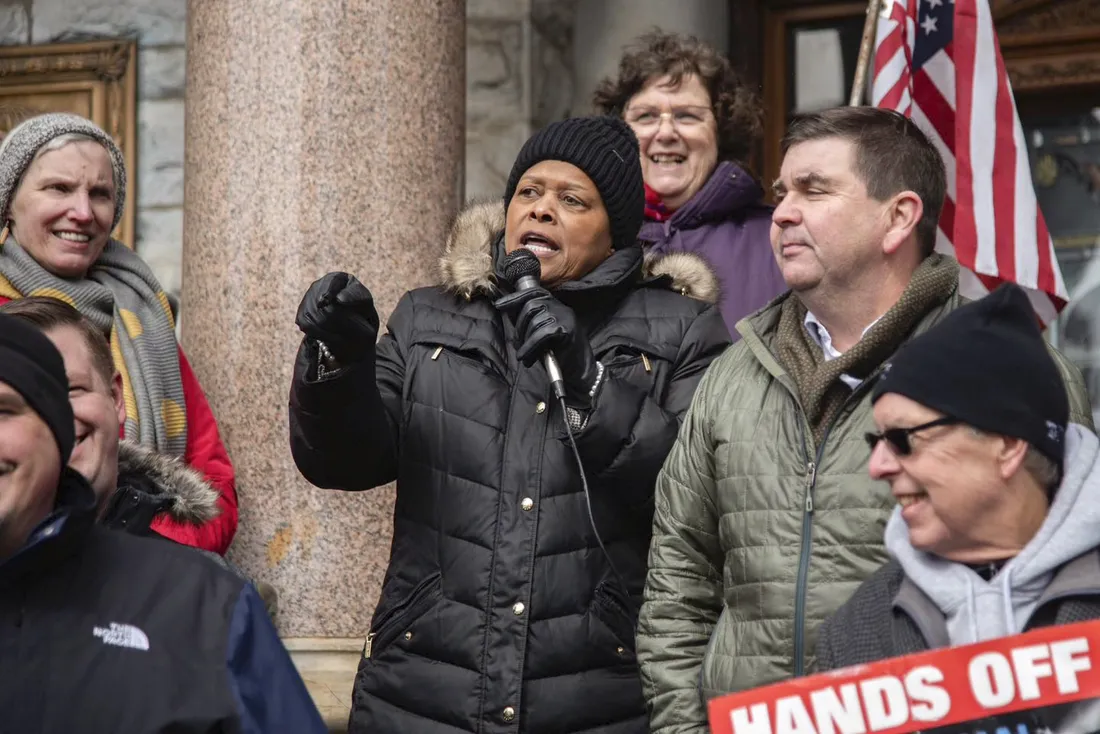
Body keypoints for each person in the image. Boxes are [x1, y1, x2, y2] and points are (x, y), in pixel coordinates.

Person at [634, 106, 1094, 733]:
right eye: (782, 193)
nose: (783, 213)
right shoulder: (730, 375)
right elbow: (677, 584)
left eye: (814, 190)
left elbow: (1070, 586)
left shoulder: (1010, 378)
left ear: (898, 217)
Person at [289, 116, 729, 733]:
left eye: (572, 200)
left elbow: (695, 496)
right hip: (425, 691)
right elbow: (341, 461)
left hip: (594, 696)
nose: (542, 211)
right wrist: (339, 360)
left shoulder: (681, 330)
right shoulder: (429, 316)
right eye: (529, 192)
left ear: (615, 235)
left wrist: (590, 383)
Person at [0, 312, 325, 733]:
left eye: (71, 390)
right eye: (17, 405)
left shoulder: (206, 602)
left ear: (116, 399)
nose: (52, 415)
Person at [816, 284, 1100, 733]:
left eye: (902, 439)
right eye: (877, 441)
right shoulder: (855, 634)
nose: (877, 467)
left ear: (1006, 445)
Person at [0, 112, 236, 554]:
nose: (83, 212)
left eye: (100, 194)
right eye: (59, 188)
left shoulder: (144, 319)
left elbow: (214, 487)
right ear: (9, 203)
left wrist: (136, 557)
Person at [594, 30, 786, 337]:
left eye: (686, 116)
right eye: (646, 116)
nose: (666, 133)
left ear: (721, 130)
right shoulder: (587, 238)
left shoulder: (780, 238)